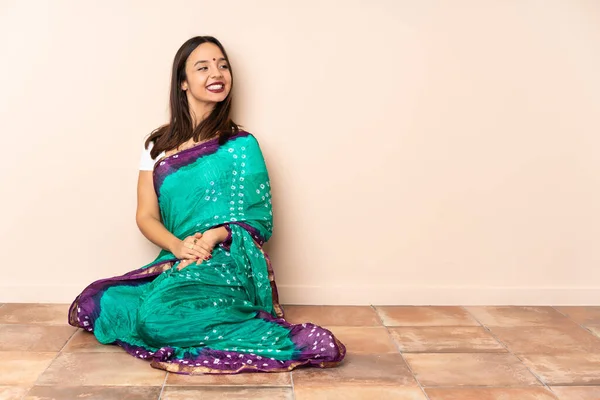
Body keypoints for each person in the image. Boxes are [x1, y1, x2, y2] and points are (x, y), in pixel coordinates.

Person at [68, 36, 346, 374]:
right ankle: (195, 314)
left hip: (227, 258)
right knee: (97, 302)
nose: (217, 73)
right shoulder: (157, 146)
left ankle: (279, 339)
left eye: (223, 65)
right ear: (183, 82)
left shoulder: (241, 145)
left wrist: (213, 237)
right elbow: (145, 215)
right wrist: (179, 246)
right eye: (203, 67)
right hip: (180, 255)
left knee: (155, 320)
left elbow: (259, 220)